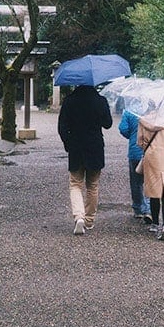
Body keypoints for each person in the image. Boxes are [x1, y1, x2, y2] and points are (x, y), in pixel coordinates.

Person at [57, 84, 112, 235]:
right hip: (95, 146)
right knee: (92, 185)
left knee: (75, 184)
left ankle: (78, 216)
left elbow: (61, 126)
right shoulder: (100, 101)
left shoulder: (69, 100)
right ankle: (89, 220)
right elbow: (108, 124)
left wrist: (68, 143)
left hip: (75, 147)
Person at [137, 114, 164, 241]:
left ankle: (155, 224)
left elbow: (140, 142)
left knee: (154, 190)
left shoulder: (144, 119)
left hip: (153, 156)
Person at [118, 109, 151, 221]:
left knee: (136, 181)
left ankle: (138, 208)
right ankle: (149, 209)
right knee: (150, 181)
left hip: (135, 150)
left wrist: (132, 135)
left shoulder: (129, 111)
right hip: (152, 152)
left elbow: (123, 129)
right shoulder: (153, 111)